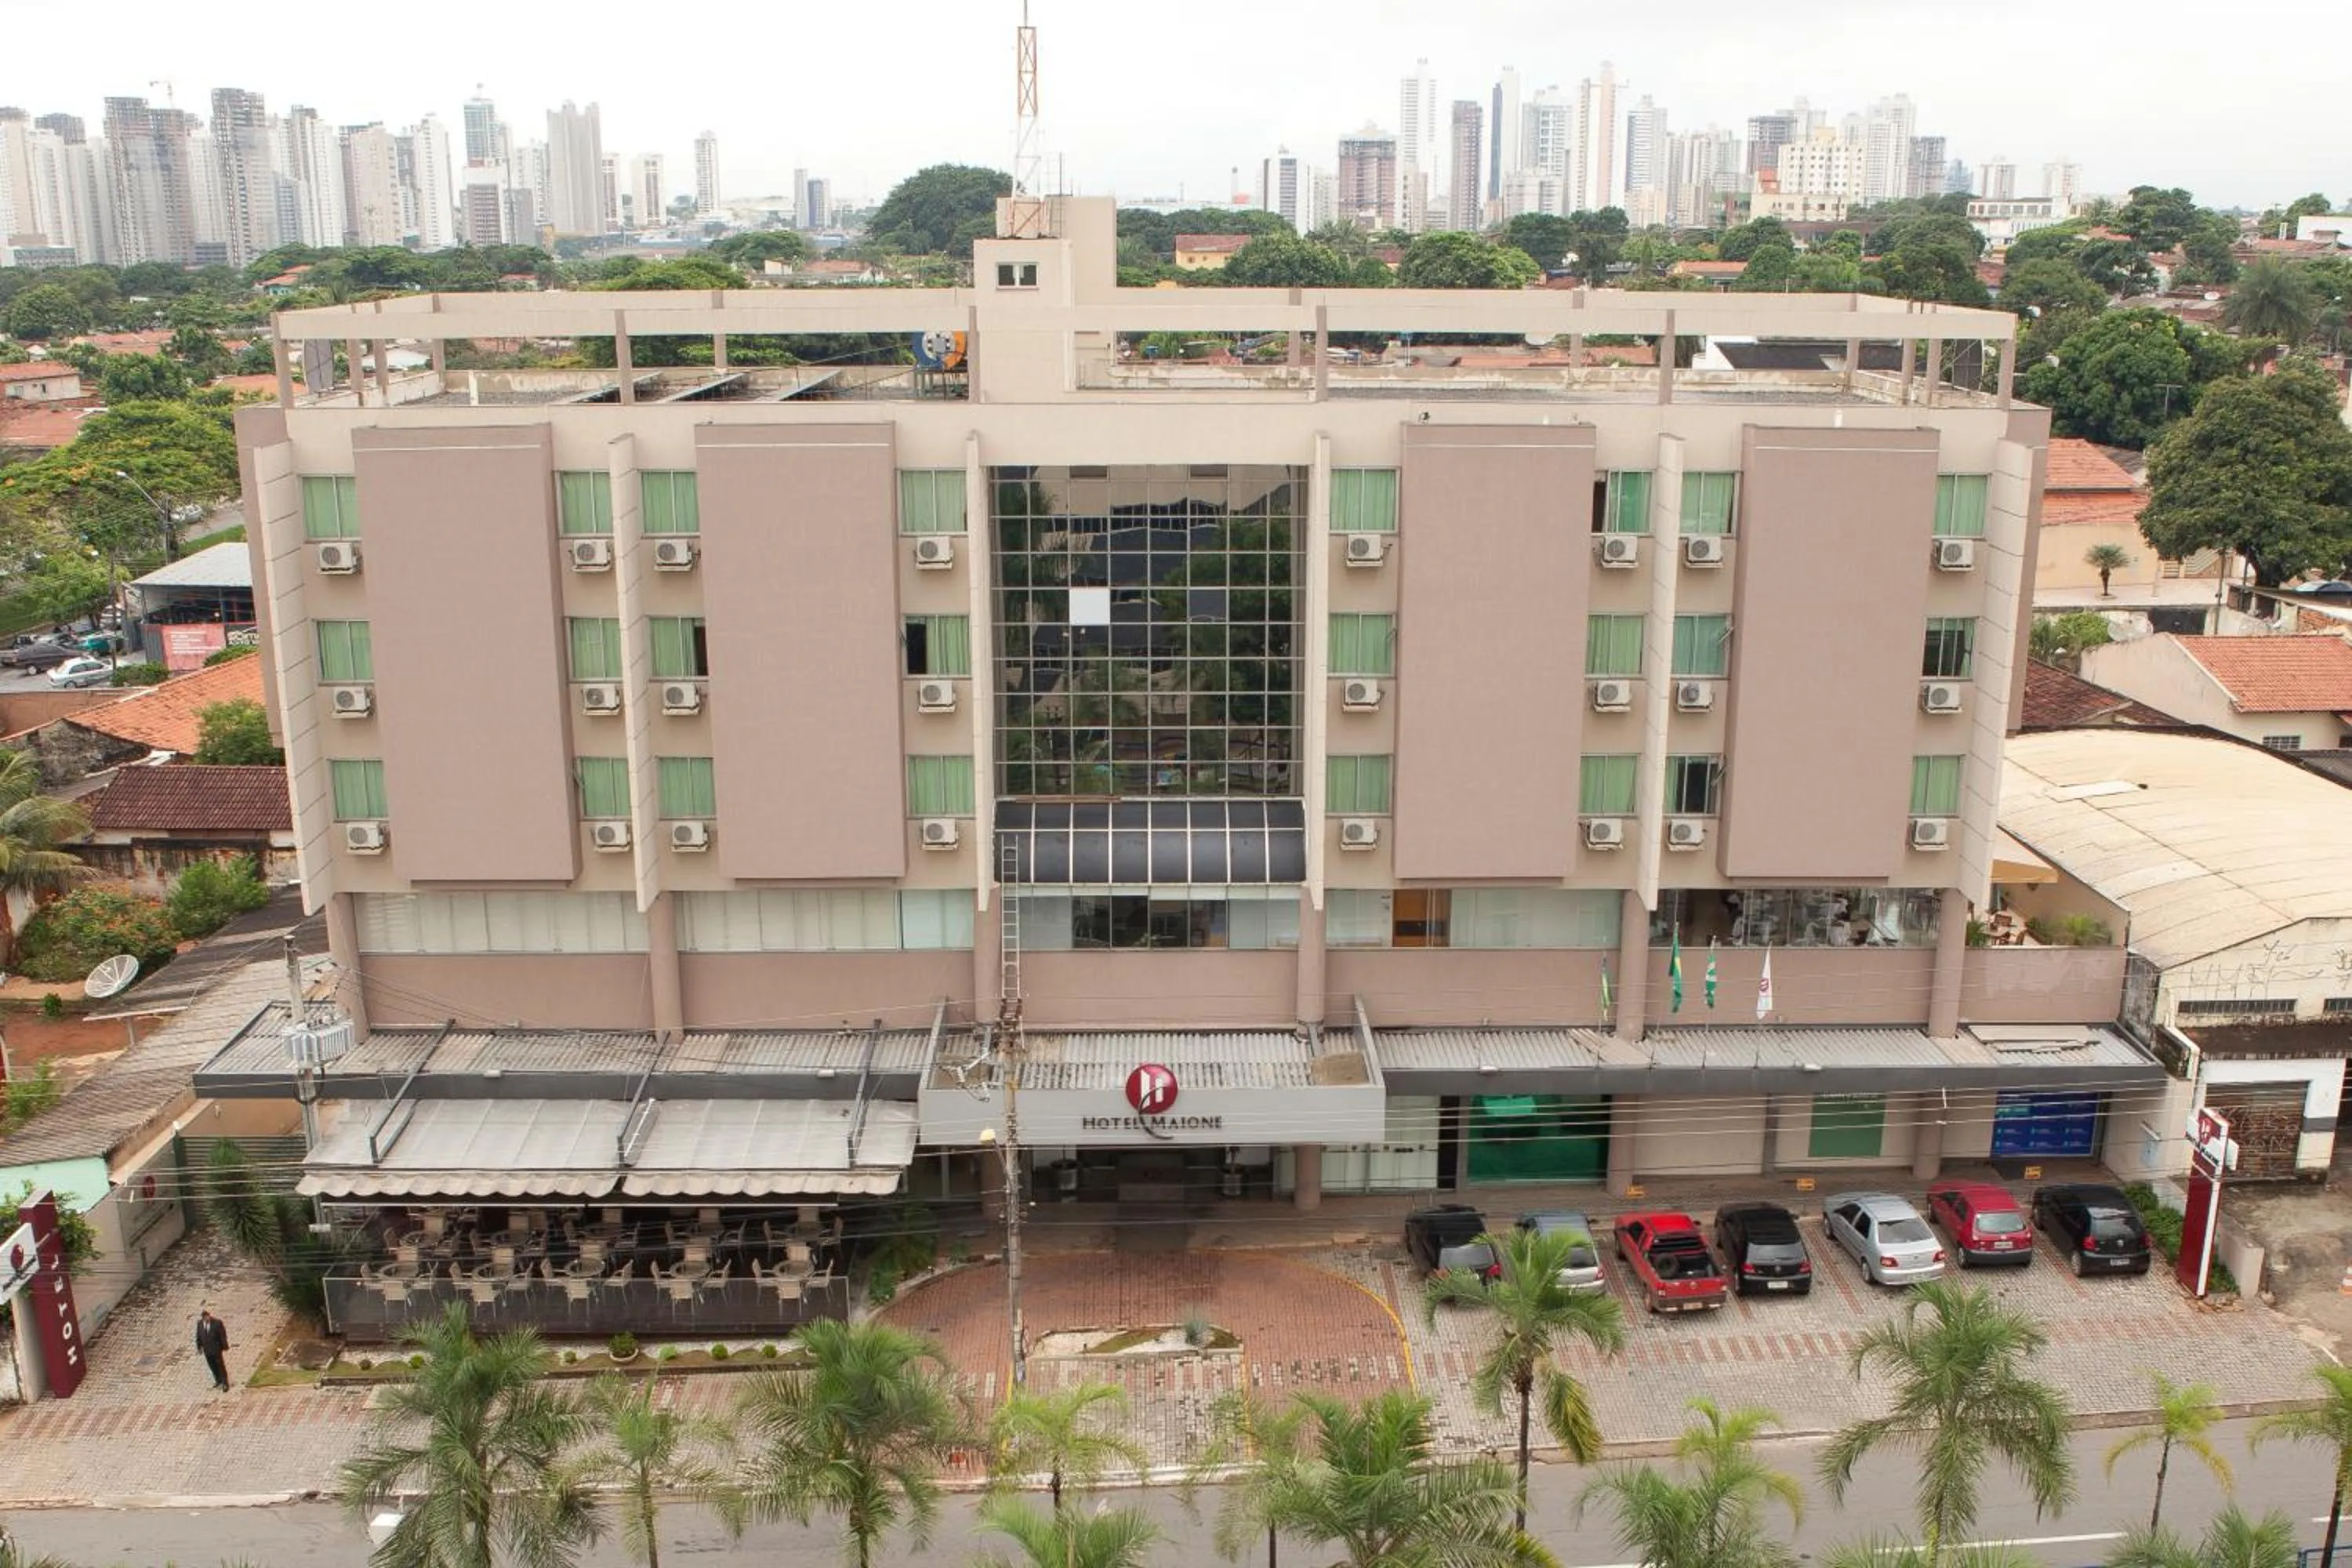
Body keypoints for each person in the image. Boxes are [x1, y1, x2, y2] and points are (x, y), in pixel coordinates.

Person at [194, 1308, 230, 1392]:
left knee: (220, 1366)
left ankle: (225, 1383)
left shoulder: (217, 1323)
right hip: (207, 1350)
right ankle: (218, 1380)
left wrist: (224, 1346)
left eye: (208, 1316)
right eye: (205, 1317)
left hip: (216, 1349)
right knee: (212, 1365)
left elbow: (222, 1335)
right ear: (203, 1318)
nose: (207, 1319)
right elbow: (198, 1336)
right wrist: (199, 1347)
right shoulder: (200, 1324)